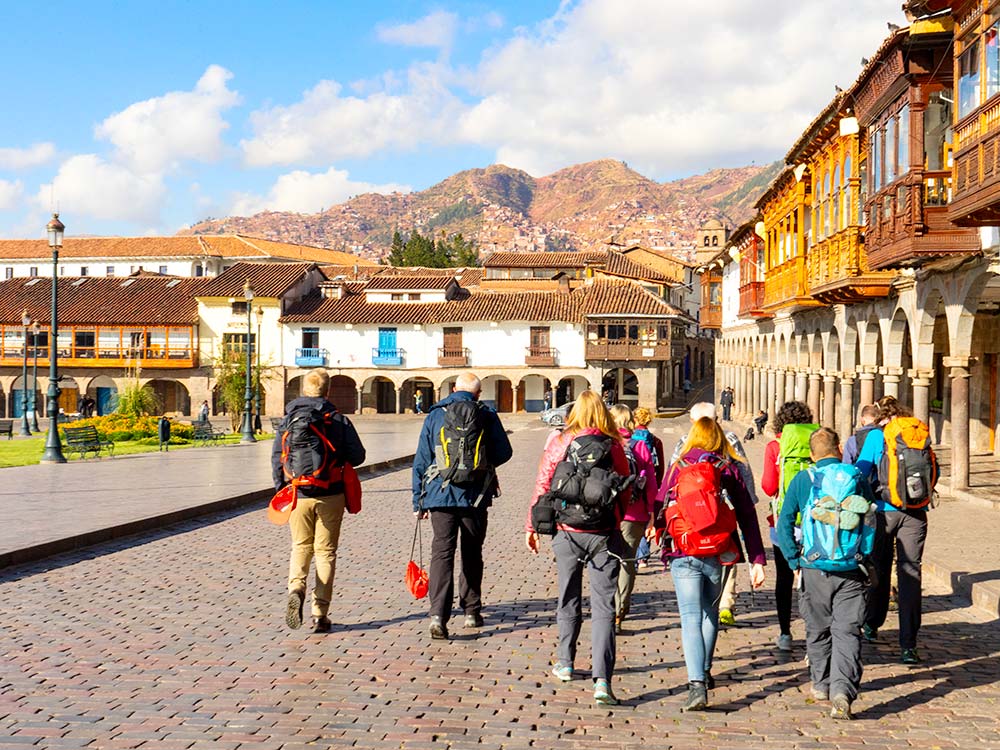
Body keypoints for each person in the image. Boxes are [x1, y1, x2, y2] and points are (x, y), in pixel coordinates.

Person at [526, 390, 632, 706]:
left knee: (567, 597)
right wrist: (616, 519)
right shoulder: (614, 446)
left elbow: (543, 483)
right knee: (603, 606)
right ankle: (602, 681)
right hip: (603, 533)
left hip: (566, 532)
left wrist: (531, 525)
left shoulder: (560, 442)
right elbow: (625, 488)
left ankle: (566, 662)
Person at [659, 417, 766, 711]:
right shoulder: (726, 468)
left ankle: (696, 686)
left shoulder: (678, 466)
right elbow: (747, 515)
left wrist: (660, 534)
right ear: (719, 438)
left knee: (690, 616)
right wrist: (756, 558)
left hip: (684, 551)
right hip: (719, 551)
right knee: (710, 613)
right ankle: (705, 671)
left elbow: (660, 503)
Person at [776, 427, 878, 720]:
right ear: (837, 449)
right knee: (847, 631)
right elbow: (872, 518)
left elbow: (784, 522)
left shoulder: (803, 479)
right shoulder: (856, 477)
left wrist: (794, 560)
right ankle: (842, 692)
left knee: (817, 628)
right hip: (850, 567)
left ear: (812, 454)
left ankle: (821, 684)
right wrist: (865, 555)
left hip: (814, 566)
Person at [413, 372, 513, 640]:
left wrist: (418, 499)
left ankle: (438, 616)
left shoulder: (435, 415)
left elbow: (421, 459)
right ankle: (471, 611)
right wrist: (480, 464)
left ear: (453, 388)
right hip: (476, 495)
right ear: (478, 393)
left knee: (442, 554)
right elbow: (505, 452)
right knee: (472, 552)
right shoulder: (487, 414)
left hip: (439, 494)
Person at [272, 368, 366, 633]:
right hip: (331, 493)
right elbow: (358, 456)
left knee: (300, 546)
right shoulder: (337, 419)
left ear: (304, 390)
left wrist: (283, 488)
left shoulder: (289, 419)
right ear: (327, 391)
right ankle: (319, 614)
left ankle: (296, 588)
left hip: (298, 493)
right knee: (325, 552)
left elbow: (277, 457)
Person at [861, 396, 938, 664]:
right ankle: (909, 644)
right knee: (910, 573)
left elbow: (861, 470)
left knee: (879, 568)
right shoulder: (917, 433)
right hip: (916, 512)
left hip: (884, 510)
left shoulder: (876, 437)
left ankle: (872, 624)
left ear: (881, 415)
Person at [670, 402, 758, 625]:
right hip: (724, 515)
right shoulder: (730, 440)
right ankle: (726, 601)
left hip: (689, 525)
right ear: (716, 418)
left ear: (693, 422)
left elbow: (670, 485)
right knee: (727, 552)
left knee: (692, 615)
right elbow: (744, 469)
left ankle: (712, 604)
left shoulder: (684, 444)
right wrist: (749, 500)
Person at [761, 401, 818, 651]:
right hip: (817, 521)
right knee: (815, 578)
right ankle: (815, 631)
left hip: (783, 521)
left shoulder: (776, 446)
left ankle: (785, 632)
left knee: (784, 578)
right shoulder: (818, 442)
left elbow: (769, 486)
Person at [608, 404, 658, 633]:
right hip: (634, 513)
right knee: (627, 562)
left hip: (607, 512)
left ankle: (606, 609)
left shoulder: (606, 444)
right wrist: (651, 514)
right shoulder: (640, 446)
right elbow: (651, 484)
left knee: (607, 561)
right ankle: (619, 611)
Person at [632, 407, 665, 569]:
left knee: (634, 518)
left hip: (632, 482)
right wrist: (657, 483)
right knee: (648, 518)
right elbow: (660, 466)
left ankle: (632, 554)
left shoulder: (630, 438)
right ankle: (643, 556)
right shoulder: (655, 440)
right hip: (650, 483)